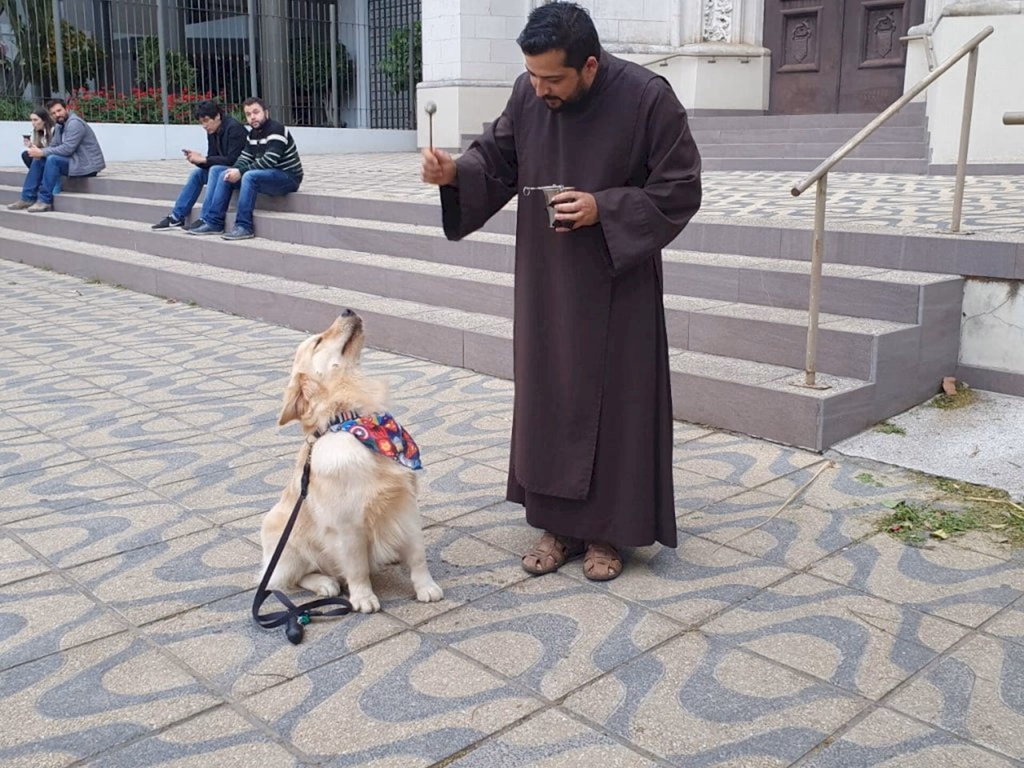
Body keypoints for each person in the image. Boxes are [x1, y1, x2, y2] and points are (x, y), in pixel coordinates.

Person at [420, 2, 702, 581]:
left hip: (617, 283)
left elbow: (681, 188)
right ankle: (557, 525)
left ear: (590, 66)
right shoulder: (529, 94)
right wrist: (454, 174)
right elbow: (497, 157)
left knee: (617, 403)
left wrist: (606, 206)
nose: (540, 88)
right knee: (550, 396)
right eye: (532, 76)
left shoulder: (648, 98)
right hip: (548, 278)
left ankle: (608, 535)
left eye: (553, 79)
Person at [188, 97, 303, 240]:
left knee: (249, 176)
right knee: (222, 171)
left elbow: (269, 160)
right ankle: (214, 222)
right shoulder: (252, 134)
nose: (252, 117)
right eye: (248, 114)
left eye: (256, 112)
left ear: (266, 113)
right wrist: (234, 170)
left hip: (287, 177)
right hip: (266, 175)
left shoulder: (277, 129)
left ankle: (244, 226)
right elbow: (245, 158)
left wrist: (241, 172)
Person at [151, 100, 248, 231]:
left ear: (218, 116)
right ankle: (176, 217)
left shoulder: (235, 129)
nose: (204, 125)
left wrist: (204, 159)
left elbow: (232, 160)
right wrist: (199, 161)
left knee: (215, 169)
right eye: (201, 122)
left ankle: (206, 218)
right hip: (222, 172)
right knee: (197, 173)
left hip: (239, 173)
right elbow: (212, 158)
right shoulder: (212, 131)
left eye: (207, 121)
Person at [8, 99, 105, 213]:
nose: (57, 115)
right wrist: (39, 152)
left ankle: (44, 201)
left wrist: (43, 152)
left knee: (52, 159)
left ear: (66, 109)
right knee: (39, 158)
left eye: (59, 110)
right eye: (53, 113)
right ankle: (27, 198)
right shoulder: (59, 125)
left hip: (87, 166)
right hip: (73, 162)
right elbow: (54, 146)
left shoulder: (75, 123)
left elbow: (67, 149)